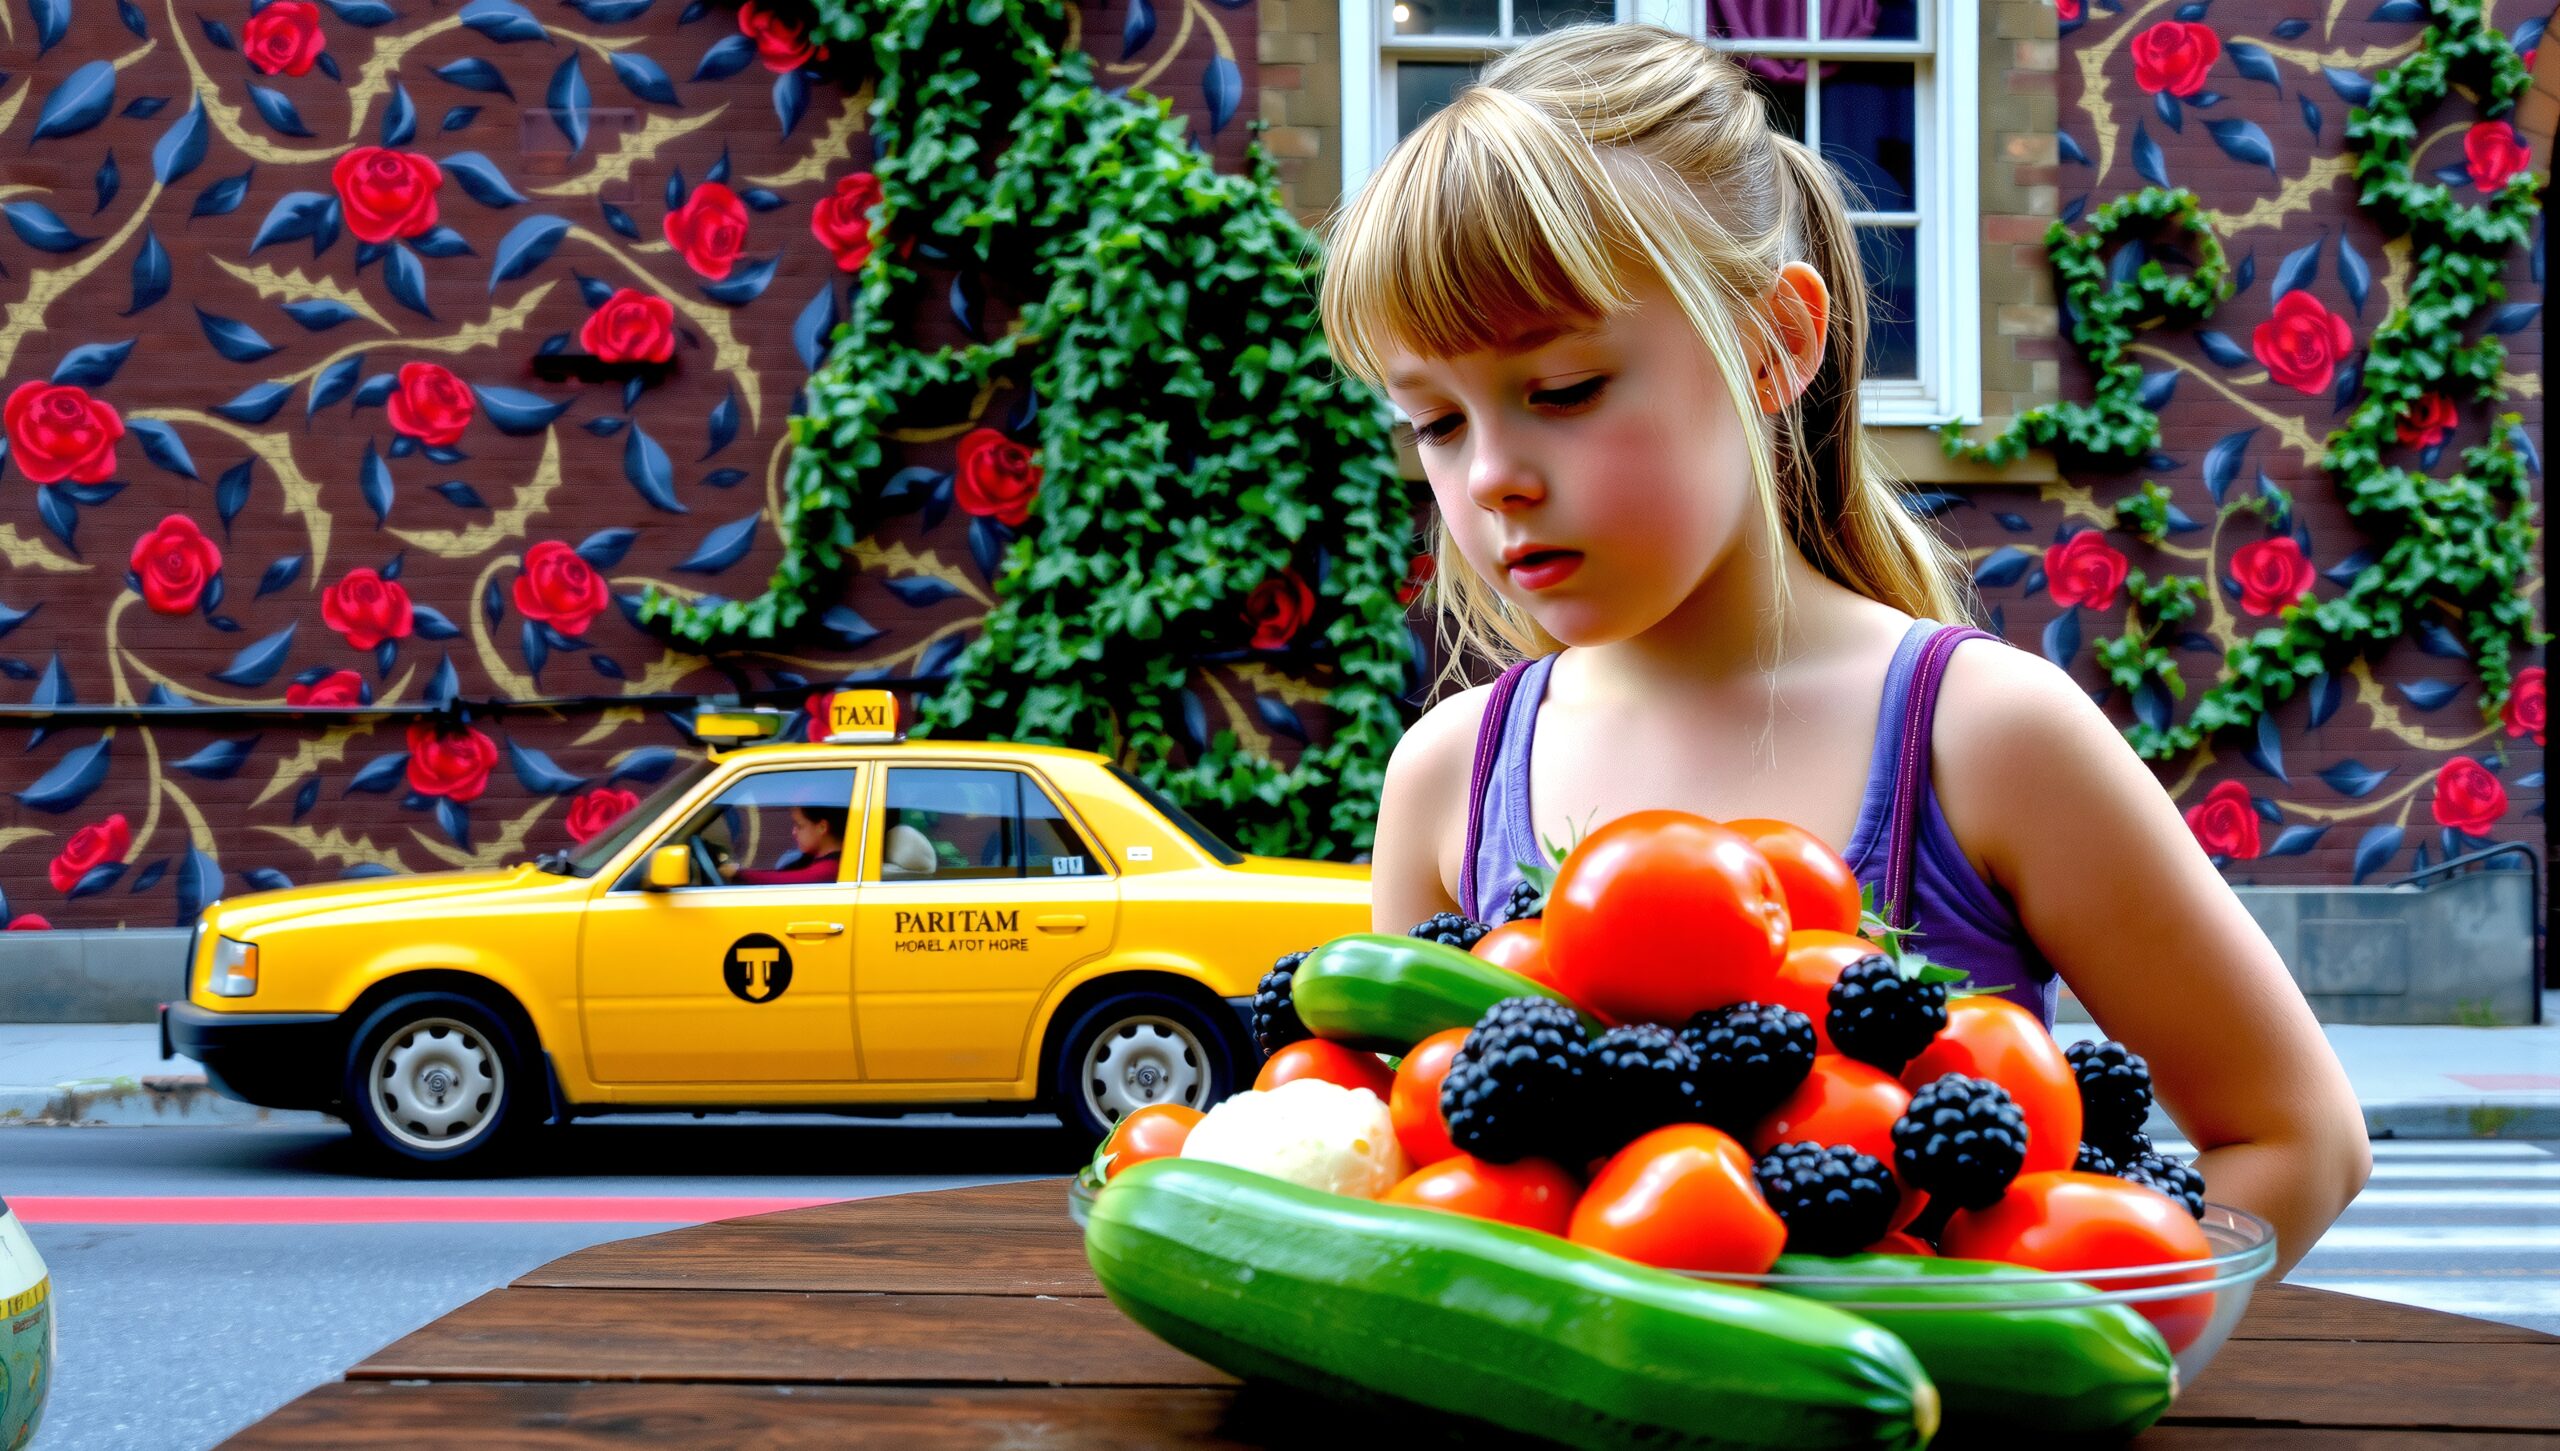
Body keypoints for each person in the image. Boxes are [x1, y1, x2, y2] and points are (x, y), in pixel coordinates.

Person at [1323, 22, 2367, 1273]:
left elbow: (2294, 1135)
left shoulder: (1985, 735)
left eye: (1564, 390)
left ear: (1774, 344)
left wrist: (2041, 1365)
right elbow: (1426, 1195)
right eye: (1434, 419)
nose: (1492, 476)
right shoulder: (1446, 775)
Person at [719, 806, 849, 885]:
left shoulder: (830, 869)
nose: (794, 832)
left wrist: (739, 873)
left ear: (822, 827)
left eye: (800, 826)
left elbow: (784, 881)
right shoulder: (809, 857)